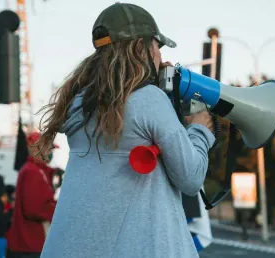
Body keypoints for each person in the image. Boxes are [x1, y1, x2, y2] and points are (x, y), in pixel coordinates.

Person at [36, 3, 215, 258]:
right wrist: (199, 131)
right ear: (141, 47)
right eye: (157, 47)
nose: (160, 56)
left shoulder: (78, 104)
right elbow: (191, 178)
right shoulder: (149, 100)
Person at [6, 132, 57, 258]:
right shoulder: (32, 172)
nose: (51, 152)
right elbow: (33, 209)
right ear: (37, 148)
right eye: (49, 148)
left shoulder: (35, 171)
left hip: (29, 244)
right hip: (30, 244)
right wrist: (58, 209)